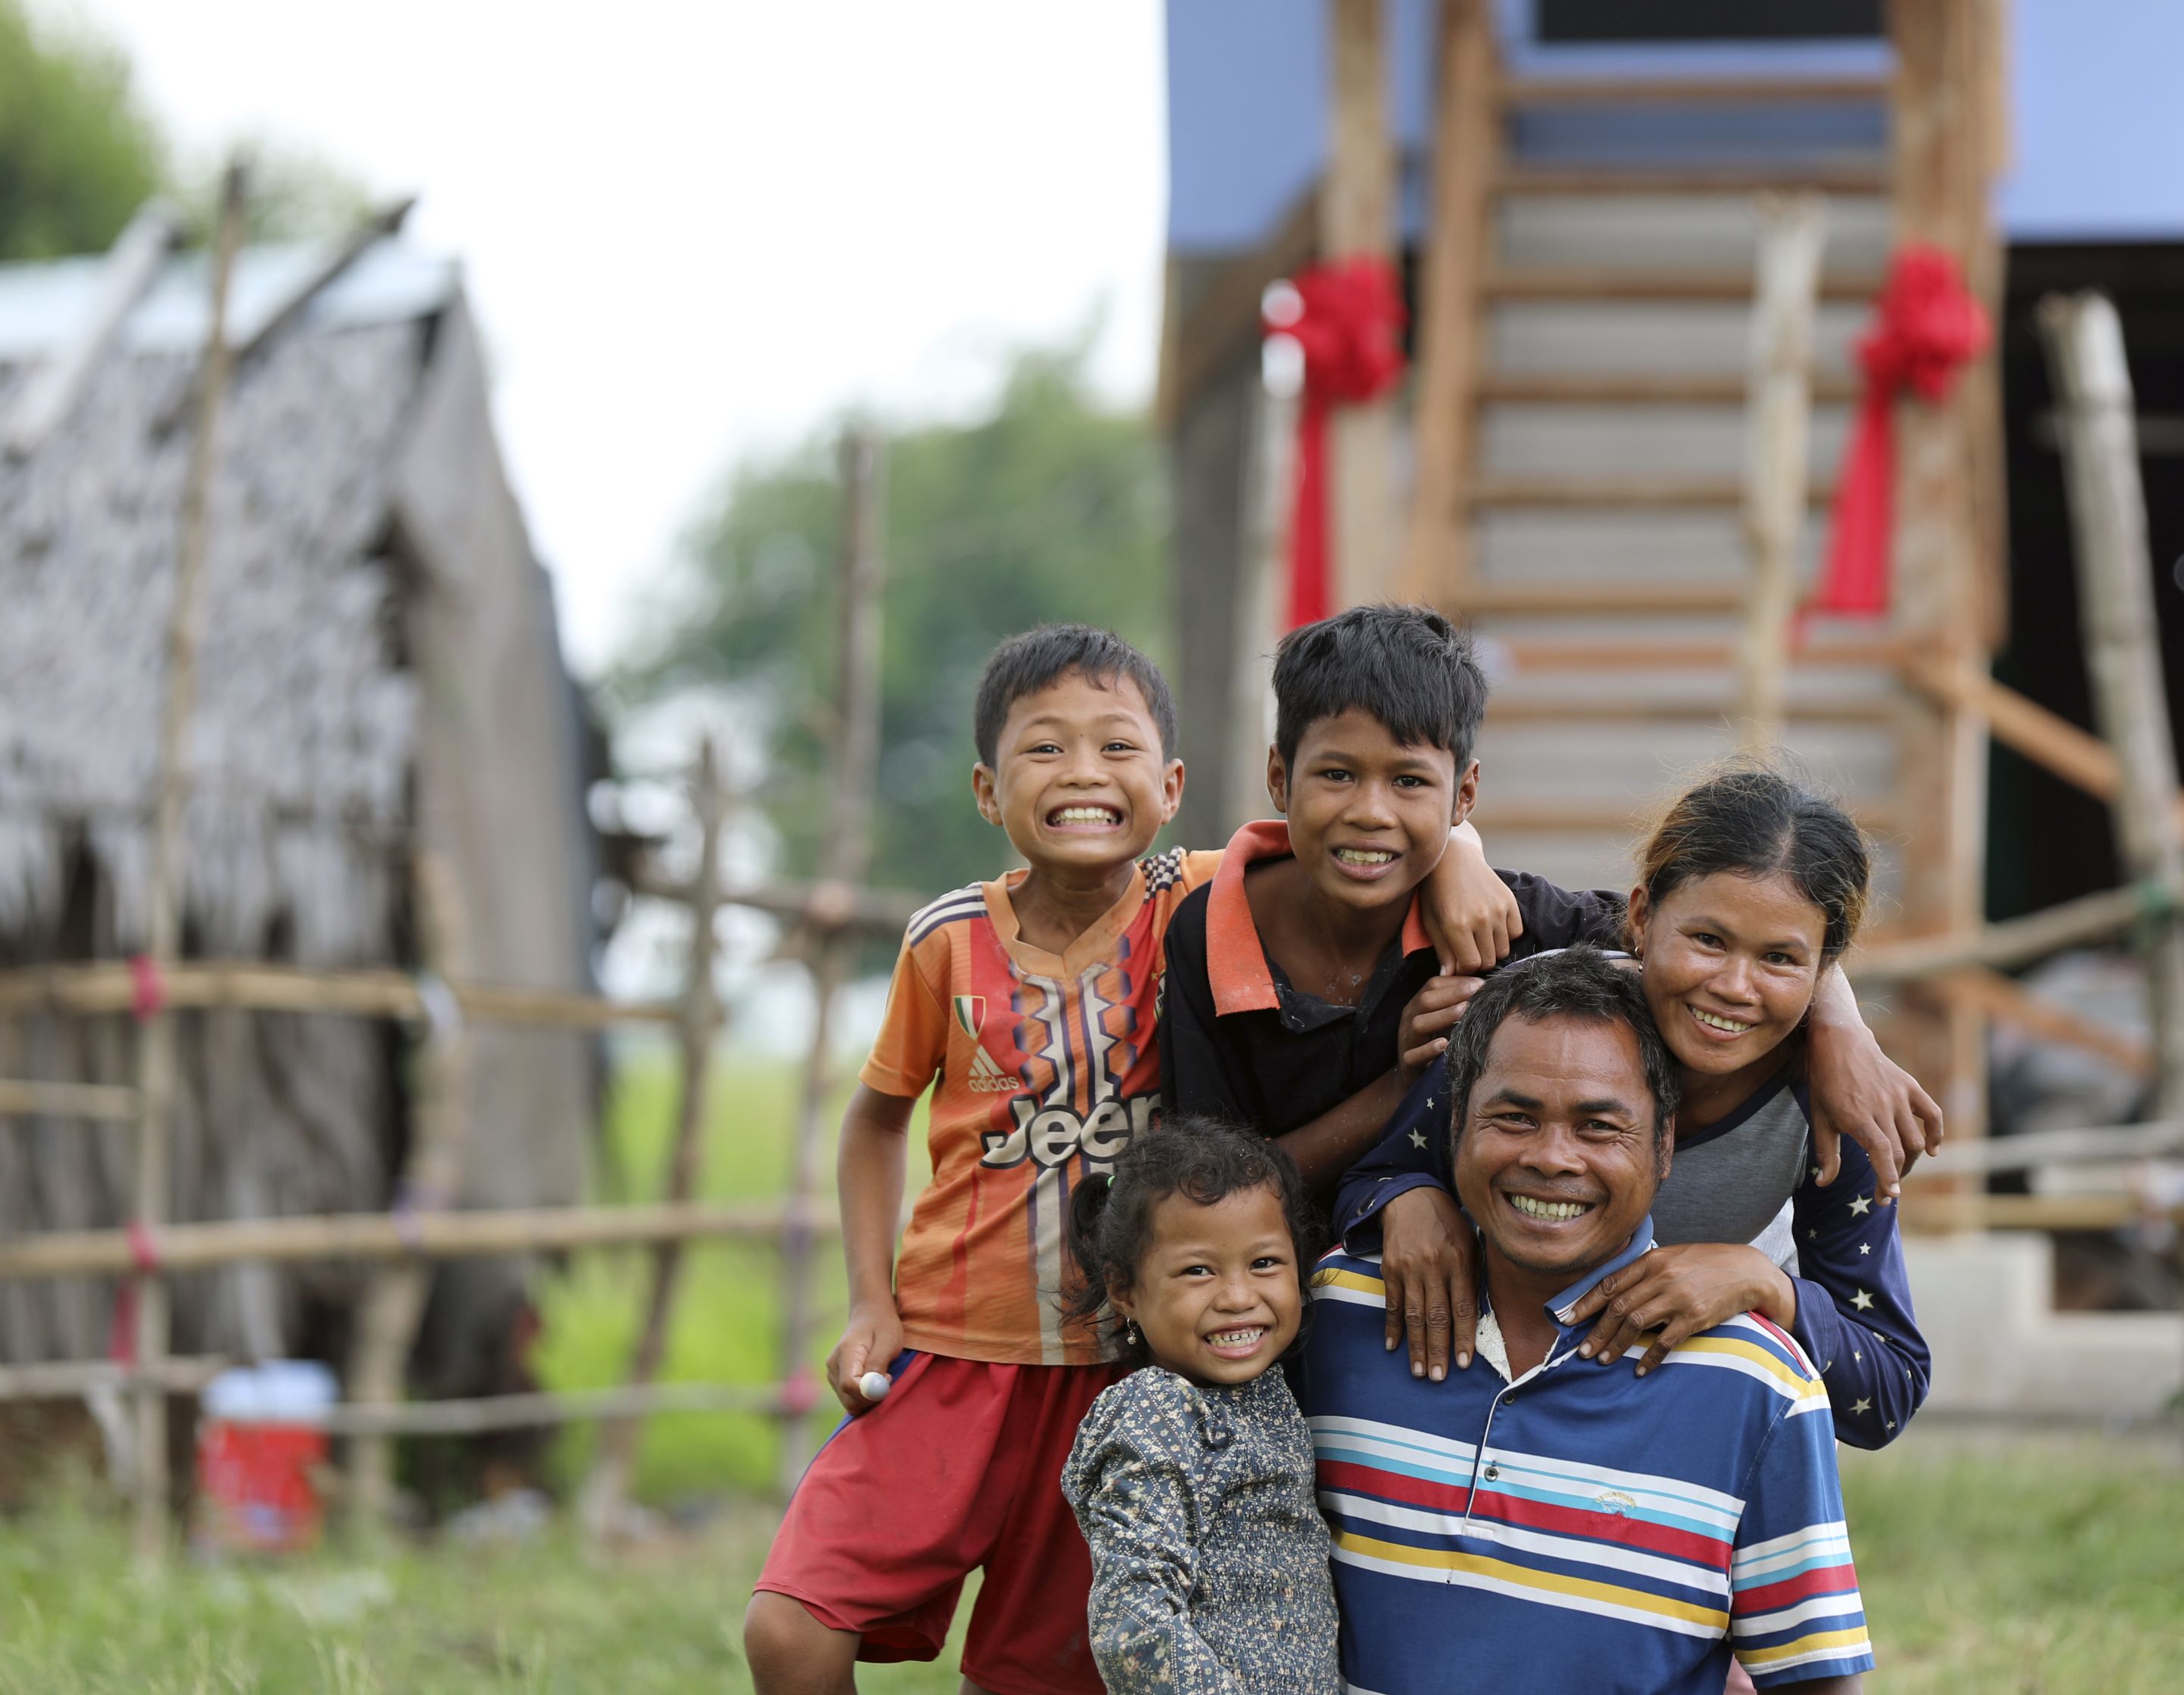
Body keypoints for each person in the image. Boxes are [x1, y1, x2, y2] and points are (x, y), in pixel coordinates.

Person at [745, 623, 1515, 1695]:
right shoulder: (946, 940)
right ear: (985, 785)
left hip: (1127, 1363)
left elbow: (1364, 832)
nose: (1082, 774)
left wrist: (1464, 856)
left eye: (1116, 747)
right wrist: (869, 1296)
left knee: (1040, 1673)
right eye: (1044, 748)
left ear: (1171, 784)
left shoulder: (1196, 901)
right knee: (792, 1627)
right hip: (954, 1346)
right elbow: (874, 1119)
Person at [1158, 604, 1938, 1203]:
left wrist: (1839, 1025)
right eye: (1336, 775)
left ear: (1464, 792)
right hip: (1252, 1306)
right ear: (1277, 776)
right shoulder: (1209, 933)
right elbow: (1216, 1188)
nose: (1370, 810)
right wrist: (1399, 1091)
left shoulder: (1507, 923)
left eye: (1408, 781)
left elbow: (1702, 937)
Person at [1295, 949, 1874, 1694]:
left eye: (1600, 1127)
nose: (1552, 1157)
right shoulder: (1339, 1312)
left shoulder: (1758, 1385)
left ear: (1663, 1145)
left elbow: (1815, 1681)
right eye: (1514, 1117)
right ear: (1455, 1122)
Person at [1334, 765, 1928, 1449]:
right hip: (1464, 1404)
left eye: (1780, 959)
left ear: (1825, 970)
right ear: (1642, 917)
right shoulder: (1540, 1015)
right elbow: (1367, 1180)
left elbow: (1888, 1387)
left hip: (1655, 1458)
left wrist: (1764, 1284)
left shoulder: (1827, 1109)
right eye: (1707, 939)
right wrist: (1408, 1198)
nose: (1734, 986)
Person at [1059, 1117, 1341, 1695]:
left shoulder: (1265, 1390)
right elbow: (1133, 1628)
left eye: (1264, 1262)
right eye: (1197, 1270)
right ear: (1125, 1290)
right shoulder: (1157, 1412)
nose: (1239, 1297)